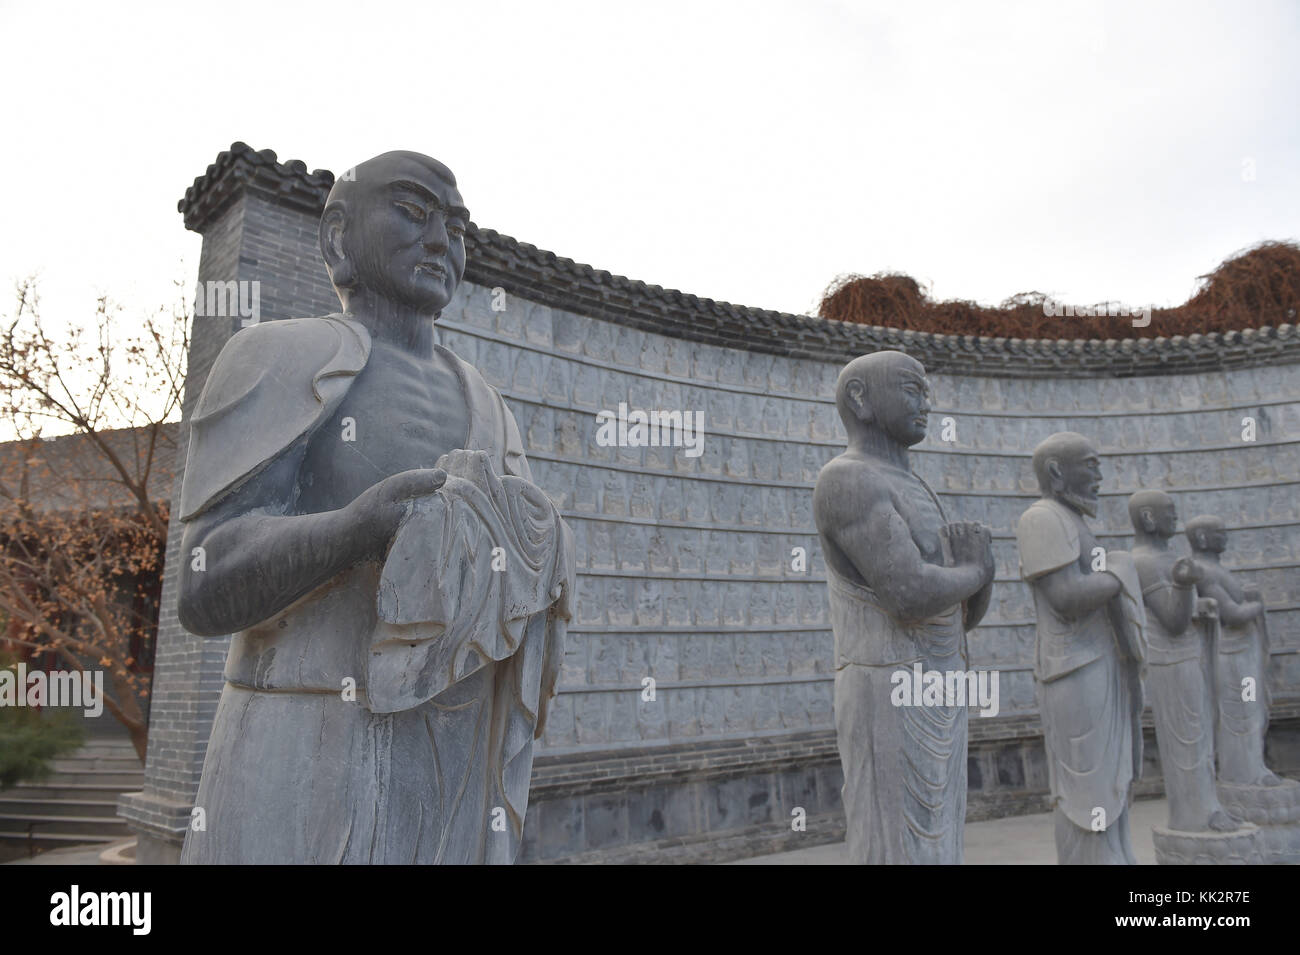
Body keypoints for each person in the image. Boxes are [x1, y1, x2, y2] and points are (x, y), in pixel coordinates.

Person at [177, 151, 573, 864]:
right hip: (303, 739)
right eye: (413, 212)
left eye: (456, 227)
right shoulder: (274, 354)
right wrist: (355, 528)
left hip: (454, 754)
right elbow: (206, 584)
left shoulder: (490, 406)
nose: (441, 242)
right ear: (337, 238)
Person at [814, 350, 993, 864]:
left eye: (927, 392)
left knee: (939, 837)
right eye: (912, 390)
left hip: (937, 683)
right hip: (888, 685)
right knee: (892, 839)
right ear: (860, 399)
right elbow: (907, 593)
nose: (927, 405)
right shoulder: (847, 479)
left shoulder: (915, 486)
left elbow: (958, 618)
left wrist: (978, 577)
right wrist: (975, 572)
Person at [1016, 432, 1145, 864]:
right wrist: (1121, 572)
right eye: (1091, 464)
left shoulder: (1072, 521)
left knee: (1111, 783)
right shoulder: (1041, 518)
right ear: (1056, 470)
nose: (1100, 475)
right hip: (1074, 672)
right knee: (1087, 789)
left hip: (1098, 666)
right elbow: (1066, 597)